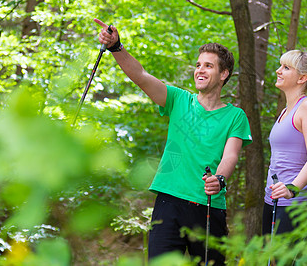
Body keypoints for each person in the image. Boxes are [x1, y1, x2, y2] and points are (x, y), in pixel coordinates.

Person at [94, 19, 252, 265]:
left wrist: (219, 179)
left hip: (209, 208)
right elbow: (141, 76)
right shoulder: (179, 100)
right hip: (169, 203)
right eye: (198, 65)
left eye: (208, 66)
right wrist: (117, 47)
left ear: (223, 74)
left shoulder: (235, 116)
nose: (200, 70)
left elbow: (230, 155)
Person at [262, 50, 307, 237]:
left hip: (296, 206)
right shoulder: (286, 110)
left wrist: (292, 189)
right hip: (273, 200)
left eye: (286, 67)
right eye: (280, 65)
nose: (278, 71)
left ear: (302, 78)